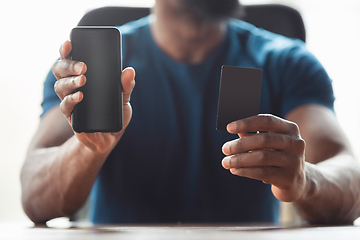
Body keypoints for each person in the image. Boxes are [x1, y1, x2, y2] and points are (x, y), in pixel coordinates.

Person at [21, 0, 360, 224]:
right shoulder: (94, 69)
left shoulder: (287, 61)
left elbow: (350, 179)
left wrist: (305, 180)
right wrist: (86, 148)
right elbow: (34, 197)